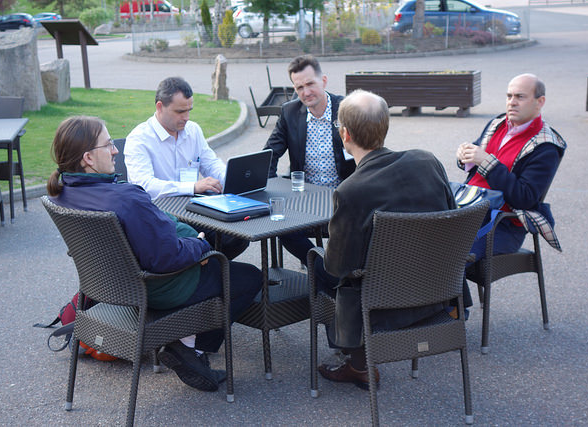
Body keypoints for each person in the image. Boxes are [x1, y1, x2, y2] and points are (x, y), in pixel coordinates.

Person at [47, 116, 262, 393]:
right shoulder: (126, 199)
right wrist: (201, 246)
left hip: (113, 286)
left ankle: (187, 337)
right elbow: (166, 259)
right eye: (109, 144)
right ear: (88, 157)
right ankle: (190, 349)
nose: (115, 150)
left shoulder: (63, 193)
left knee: (219, 259)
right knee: (247, 277)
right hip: (158, 288)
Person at [312, 90, 455, 390]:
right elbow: (450, 220)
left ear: (344, 133)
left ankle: (358, 363)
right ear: (385, 126)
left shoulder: (352, 191)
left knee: (320, 269)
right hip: (436, 291)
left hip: (380, 305)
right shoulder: (428, 162)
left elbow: (339, 267)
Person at [124, 76, 248, 260]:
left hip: (193, 209)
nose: (187, 118)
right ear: (160, 107)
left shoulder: (193, 130)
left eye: (189, 110)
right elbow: (144, 186)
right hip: (161, 217)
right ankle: (210, 271)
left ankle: (211, 270)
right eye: (180, 111)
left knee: (239, 235)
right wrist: (193, 187)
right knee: (227, 238)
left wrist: (233, 180)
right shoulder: (139, 139)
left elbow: (211, 164)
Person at [456, 73, 567, 263]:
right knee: (421, 241)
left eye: (520, 97)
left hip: (504, 226)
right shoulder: (497, 124)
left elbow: (525, 198)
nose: (512, 102)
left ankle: (449, 292)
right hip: (469, 211)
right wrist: (464, 155)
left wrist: (488, 163)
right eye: (509, 96)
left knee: (449, 258)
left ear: (540, 102)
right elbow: (475, 162)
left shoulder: (546, 146)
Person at [264, 55, 356, 266]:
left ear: (323, 81)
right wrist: (272, 187)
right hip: (304, 199)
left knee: (362, 226)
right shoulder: (289, 112)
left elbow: (367, 153)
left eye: (310, 84)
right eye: (299, 87)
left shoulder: (346, 109)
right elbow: (269, 154)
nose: (306, 93)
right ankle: (319, 267)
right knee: (279, 223)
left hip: (343, 196)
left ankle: (330, 270)